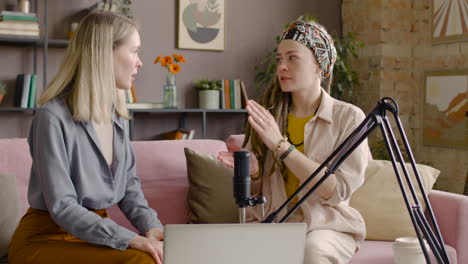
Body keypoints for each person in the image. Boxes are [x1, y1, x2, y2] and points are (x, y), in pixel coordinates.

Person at [8, 11, 163, 264]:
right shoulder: (52, 118)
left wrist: (152, 228)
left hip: (92, 237)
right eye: (134, 51)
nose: (140, 62)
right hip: (44, 239)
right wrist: (130, 239)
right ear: (105, 54)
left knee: (161, 256)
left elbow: (129, 189)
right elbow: (63, 207)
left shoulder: (118, 117)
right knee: (141, 260)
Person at [218, 20, 371, 264]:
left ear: (319, 65)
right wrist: (253, 174)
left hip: (326, 228)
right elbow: (257, 193)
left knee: (311, 250)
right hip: (276, 223)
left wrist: (280, 145)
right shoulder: (268, 117)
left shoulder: (349, 117)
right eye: (279, 59)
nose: (282, 67)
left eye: (292, 58)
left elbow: (337, 191)